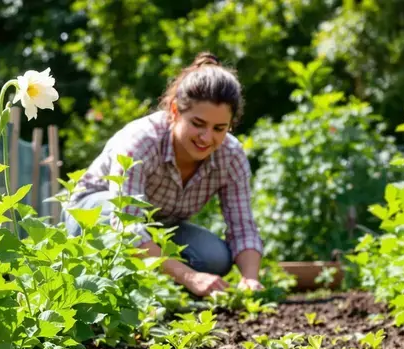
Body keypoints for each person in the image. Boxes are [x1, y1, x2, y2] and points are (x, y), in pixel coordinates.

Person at [64, 52, 264, 297]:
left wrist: (250, 279)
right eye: (198, 124)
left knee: (216, 258)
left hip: (159, 227)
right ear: (175, 110)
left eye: (219, 128)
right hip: (99, 212)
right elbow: (126, 225)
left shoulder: (230, 156)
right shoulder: (141, 142)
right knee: (109, 225)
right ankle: (113, 284)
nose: (206, 137)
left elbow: (242, 226)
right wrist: (190, 276)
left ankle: (159, 282)